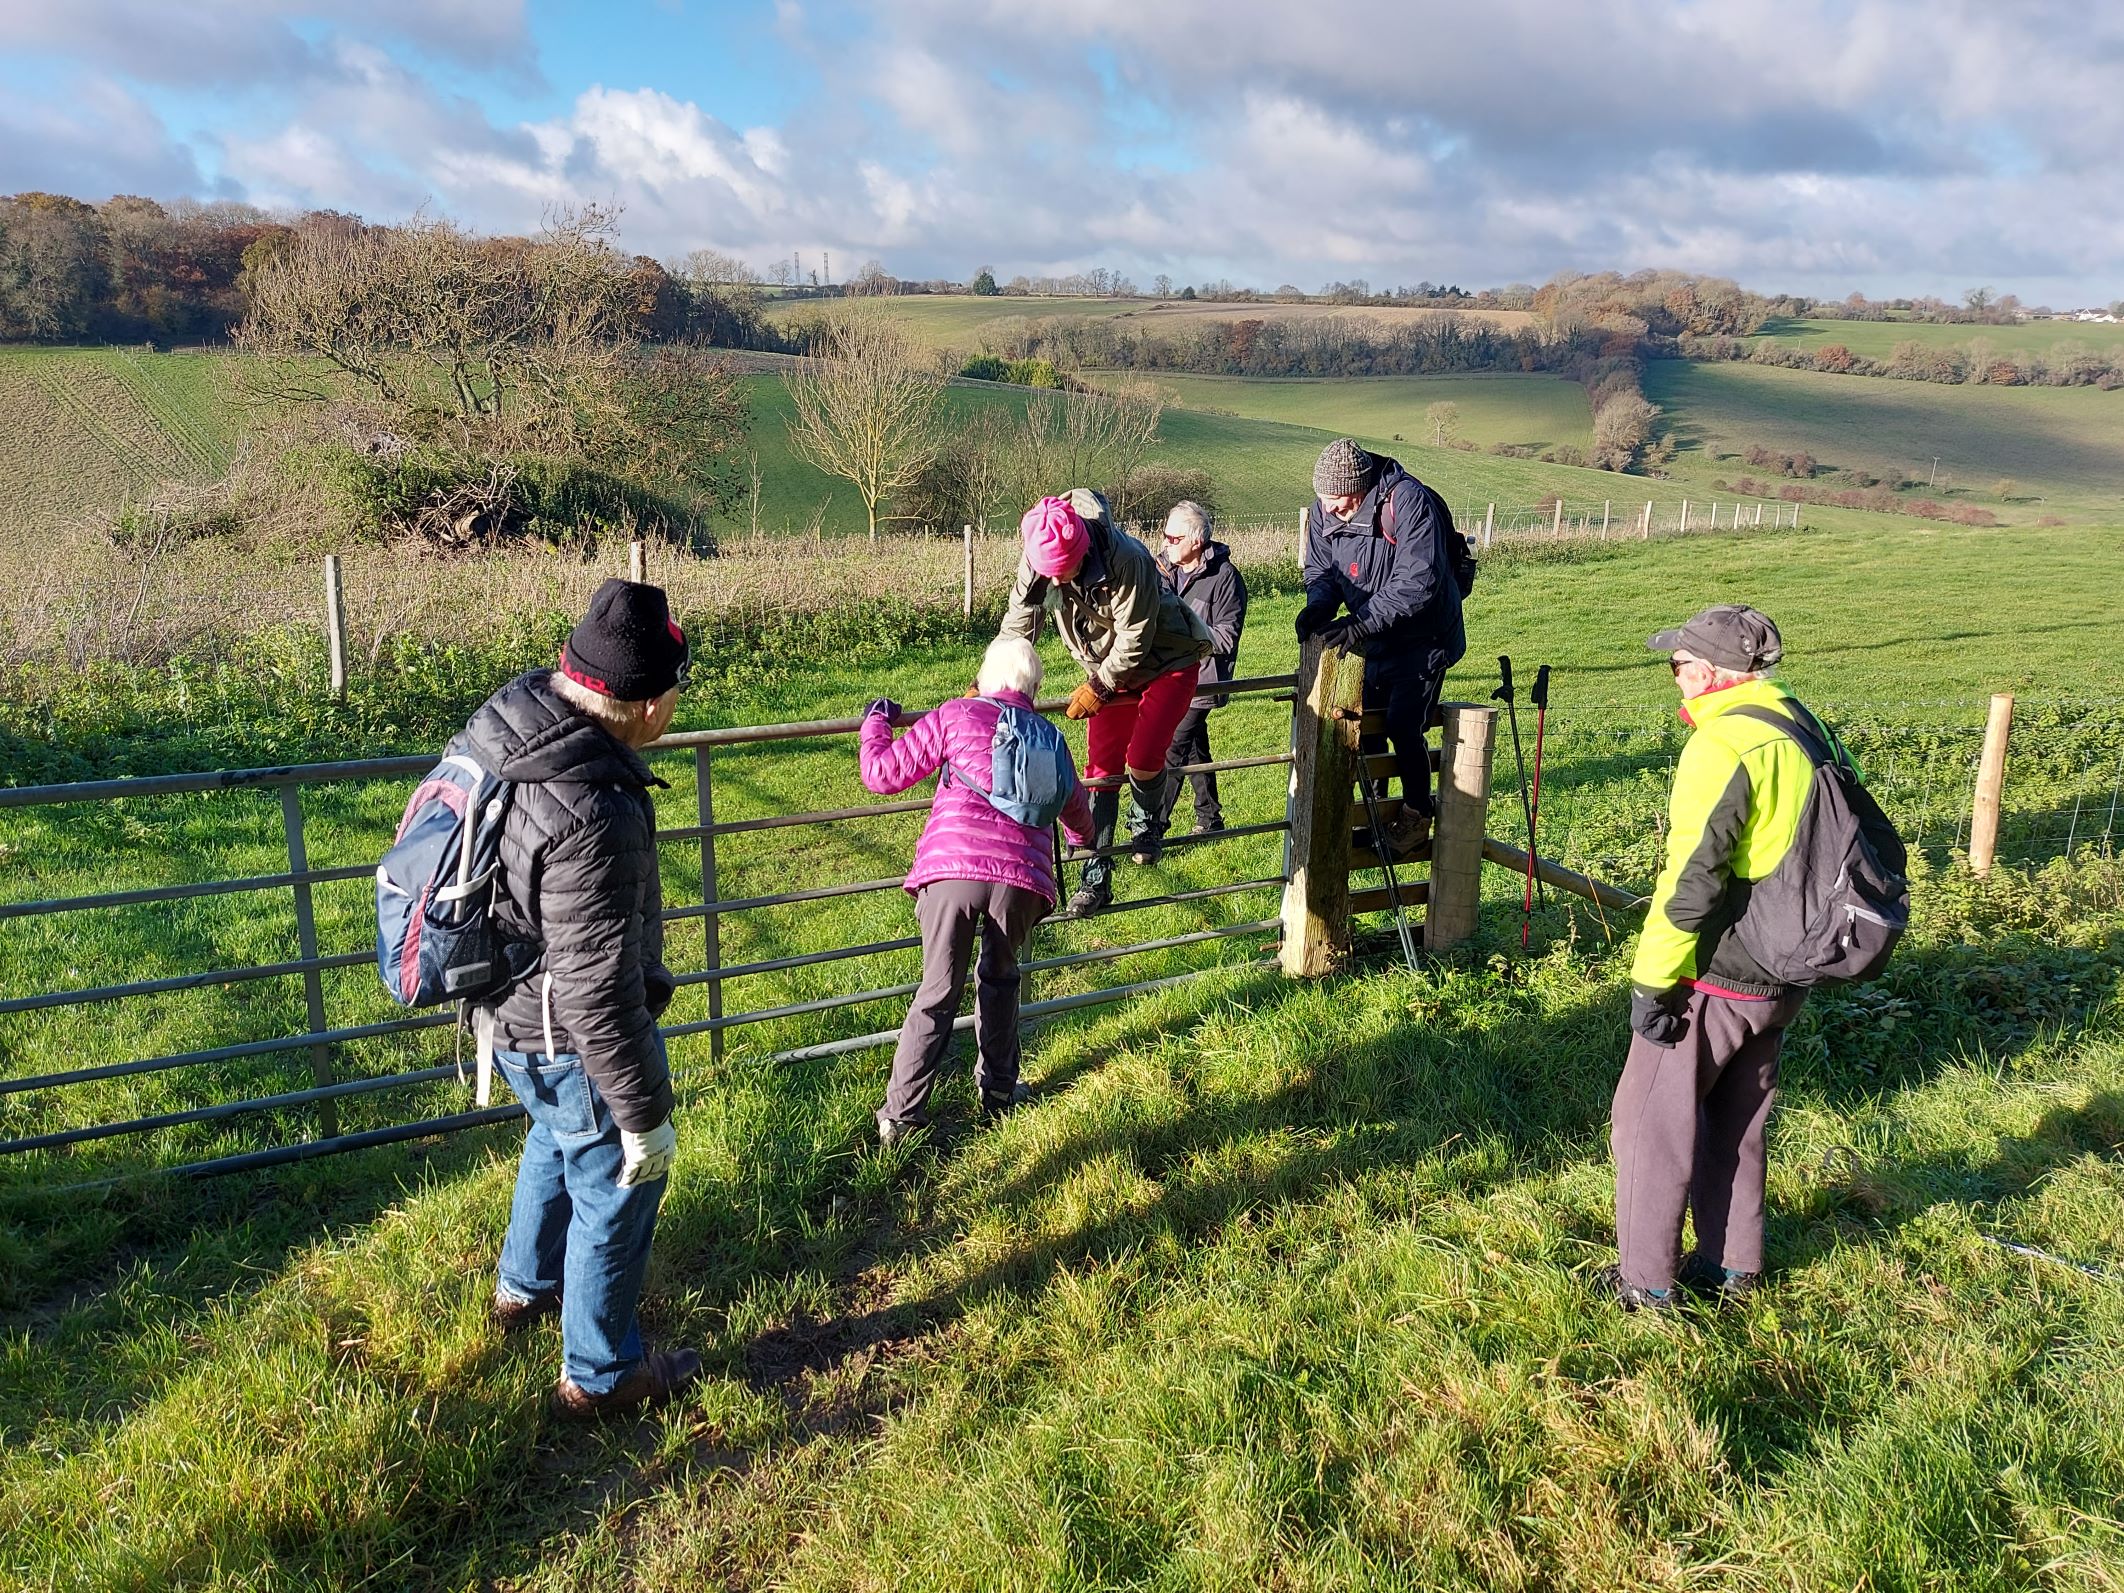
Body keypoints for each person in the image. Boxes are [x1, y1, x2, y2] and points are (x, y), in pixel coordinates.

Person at [460, 578, 700, 1416]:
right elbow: (599, 992)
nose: (677, 702)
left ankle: (524, 1287)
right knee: (616, 1174)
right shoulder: (595, 807)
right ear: (638, 702)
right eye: (675, 686)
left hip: (507, 1012)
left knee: (557, 1136)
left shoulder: (521, 728)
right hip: (562, 1027)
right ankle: (601, 1374)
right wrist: (645, 1114)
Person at [1601, 604, 1818, 1311]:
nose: (1674, 679)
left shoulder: (1722, 745)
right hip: (1789, 963)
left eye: (1678, 666)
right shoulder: (1799, 726)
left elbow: (1691, 880)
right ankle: (1732, 1268)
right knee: (1737, 1116)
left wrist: (1654, 981)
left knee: (1647, 1118)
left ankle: (1645, 1285)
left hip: (1721, 967)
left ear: (1710, 674)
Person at [858, 636, 1094, 1143]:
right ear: (1033, 687)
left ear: (987, 676)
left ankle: (901, 1114)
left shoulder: (956, 714)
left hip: (954, 873)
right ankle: (999, 1091)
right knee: (1002, 981)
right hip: (1023, 884)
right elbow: (1078, 812)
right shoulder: (1051, 738)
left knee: (938, 990)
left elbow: (882, 775)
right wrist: (1079, 841)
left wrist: (876, 720)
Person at [999, 489, 1212, 914]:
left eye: (1066, 571)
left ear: (1082, 548)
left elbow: (1135, 637)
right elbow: (1020, 622)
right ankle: (1095, 879)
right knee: (1100, 771)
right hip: (1106, 669)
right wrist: (992, 682)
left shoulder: (1127, 559)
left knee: (1145, 755)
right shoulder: (1037, 559)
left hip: (1165, 659)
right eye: (1049, 574)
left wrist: (1099, 687)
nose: (1057, 582)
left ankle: (1148, 823)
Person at [1294, 438, 1467, 854]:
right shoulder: (1325, 509)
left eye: (1338, 499)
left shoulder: (1408, 502)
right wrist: (1319, 606)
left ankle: (1413, 817)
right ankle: (1370, 814)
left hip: (1422, 638)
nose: (1329, 509)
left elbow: (1417, 582)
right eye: (1324, 499)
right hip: (1371, 637)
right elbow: (1322, 568)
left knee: (1403, 725)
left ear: (1362, 485)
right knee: (1363, 727)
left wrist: (1360, 623)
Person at [1147, 499, 1249, 842]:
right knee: (1194, 747)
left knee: (1172, 748)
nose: (1165, 543)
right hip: (1166, 676)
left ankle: (1152, 829)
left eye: (1173, 538)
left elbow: (1225, 638)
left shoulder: (1225, 580)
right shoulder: (1163, 570)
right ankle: (1210, 816)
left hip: (1202, 681)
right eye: (1164, 536)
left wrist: (1182, 635)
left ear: (1197, 541)